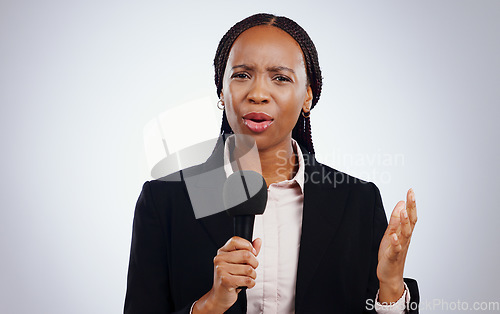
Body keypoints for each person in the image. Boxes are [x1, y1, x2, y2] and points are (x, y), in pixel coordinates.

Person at [124, 13, 419, 314]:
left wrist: (391, 286)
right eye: (241, 75)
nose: (258, 94)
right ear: (221, 91)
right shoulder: (165, 201)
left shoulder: (357, 202)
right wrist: (210, 305)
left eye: (280, 78)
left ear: (308, 95)